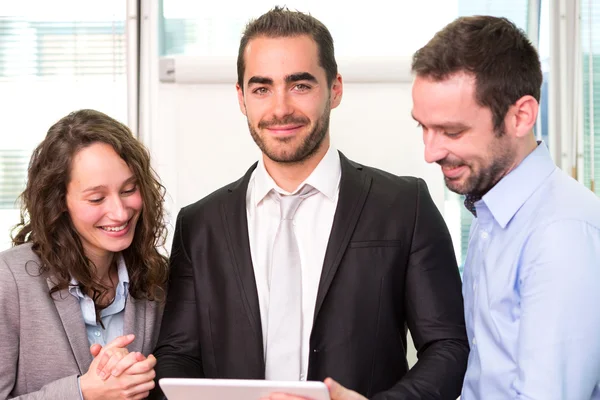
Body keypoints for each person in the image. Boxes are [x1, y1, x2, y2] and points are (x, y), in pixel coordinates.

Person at [151, 6, 468, 400]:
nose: (280, 108)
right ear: (241, 97)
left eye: (300, 85)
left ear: (334, 89)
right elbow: (177, 355)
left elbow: (448, 349)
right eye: (262, 88)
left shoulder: (405, 206)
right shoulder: (200, 224)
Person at [411, 15, 600, 399]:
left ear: (521, 116)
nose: (430, 153)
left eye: (452, 131)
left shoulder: (560, 234)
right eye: (423, 128)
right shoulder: (492, 214)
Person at [0, 109, 170, 399]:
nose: (119, 212)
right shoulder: (9, 279)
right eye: (96, 198)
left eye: (129, 189)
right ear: (59, 201)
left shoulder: (160, 277)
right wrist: (83, 392)